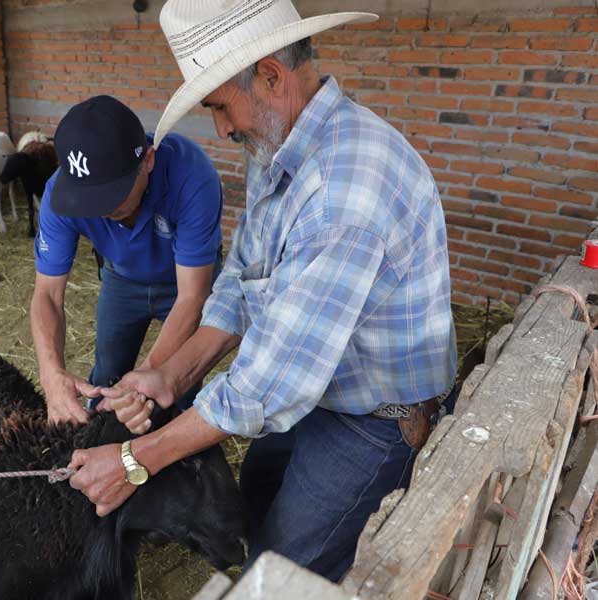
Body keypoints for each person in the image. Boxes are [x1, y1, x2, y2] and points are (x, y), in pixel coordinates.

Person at [67, 0, 458, 583]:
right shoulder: (280, 146)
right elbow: (244, 275)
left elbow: (267, 388)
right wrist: (170, 375)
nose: (221, 129)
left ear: (271, 76)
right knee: (255, 491)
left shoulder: (341, 191)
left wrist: (132, 461)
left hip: (375, 417)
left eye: (222, 107)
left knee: (276, 572)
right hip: (324, 391)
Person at [30, 95, 223, 427]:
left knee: (181, 382)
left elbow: (193, 297)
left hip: (185, 284)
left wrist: (149, 376)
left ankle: (189, 457)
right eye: (85, 198)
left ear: (147, 161)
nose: (99, 210)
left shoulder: (191, 175)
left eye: (111, 195)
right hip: (121, 279)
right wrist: (50, 373)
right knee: (106, 377)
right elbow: (47, 293)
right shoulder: (57, 196)